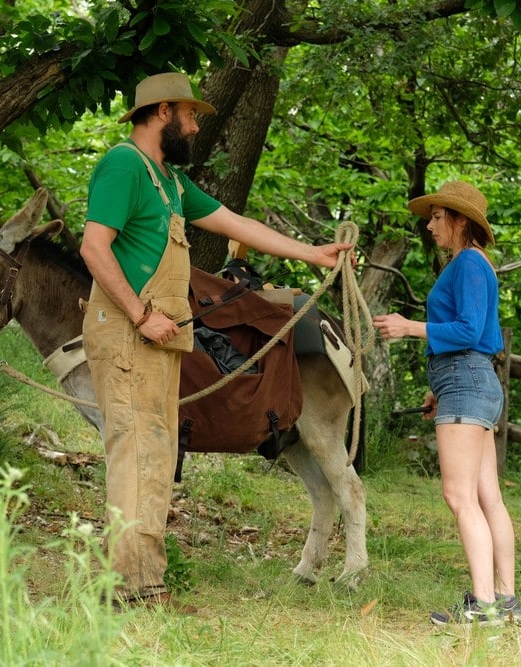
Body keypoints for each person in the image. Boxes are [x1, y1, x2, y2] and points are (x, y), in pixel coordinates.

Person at [79, 72, 353, 610]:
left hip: (160, 341)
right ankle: (127, 587)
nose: (197, 124)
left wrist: (310, 253)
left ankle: (144, 584)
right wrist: (138, 315)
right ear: (163, 113)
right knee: (136, 454)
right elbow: (94, 247)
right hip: (132, 338)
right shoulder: (122, 165)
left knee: (155, 455)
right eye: (191, 114)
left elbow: (235, 223)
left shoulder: (170, 182)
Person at [372, 181, 521, 625]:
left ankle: (484, 606)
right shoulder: (468, 265)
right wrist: (439, 387)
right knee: (486, 496)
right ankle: (504, 602)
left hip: (467, 380)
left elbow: (470, 330)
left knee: (460, 496)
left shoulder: (470, 264)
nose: (430, 224)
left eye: (438, 216)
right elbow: (469, 339)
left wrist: (408, 326)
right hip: (468, 382)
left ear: (461, 221)